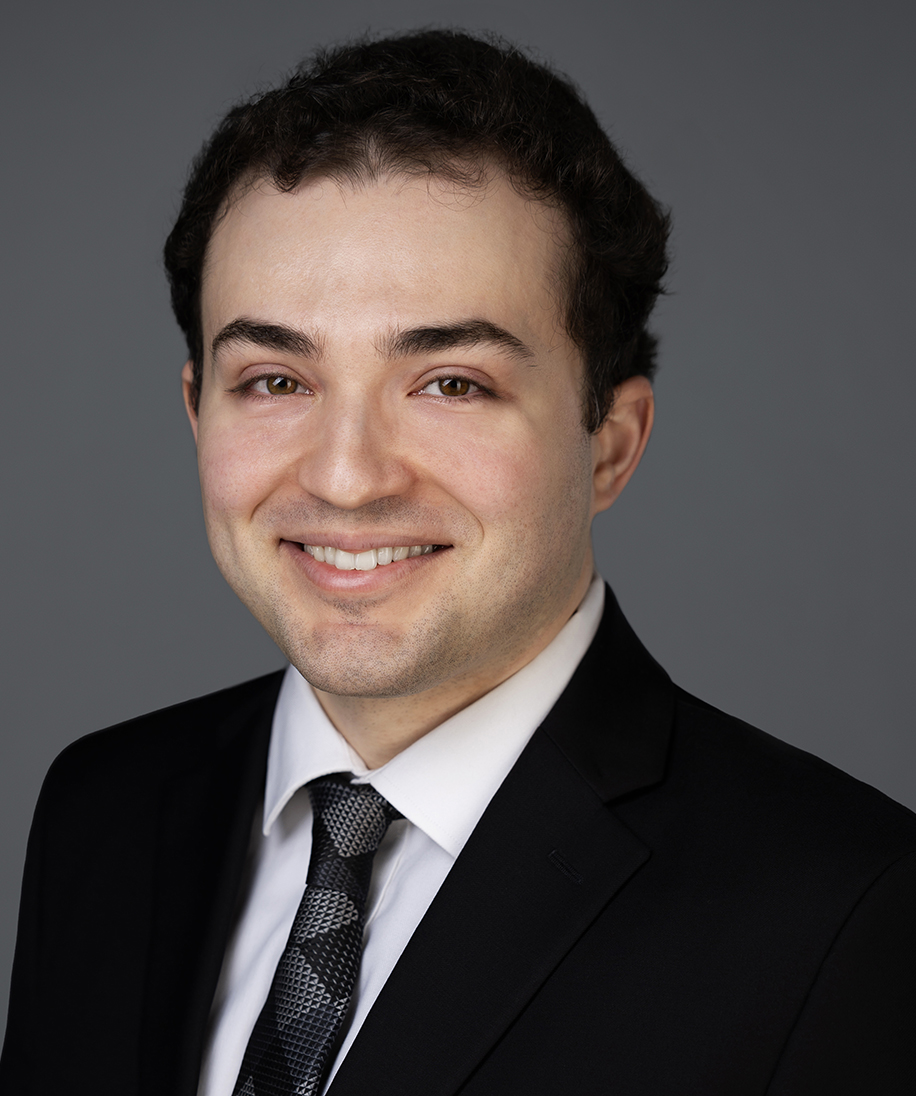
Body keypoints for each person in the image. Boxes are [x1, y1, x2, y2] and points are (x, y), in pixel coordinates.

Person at [2, 28, 914, 1096]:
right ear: (197, 411)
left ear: (609, 444)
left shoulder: (845, 915)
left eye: (451, 384)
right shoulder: (104, 810)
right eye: (276, 381)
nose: (346, 478)